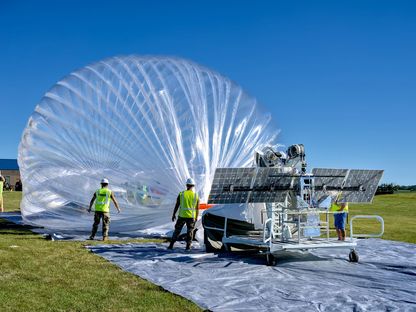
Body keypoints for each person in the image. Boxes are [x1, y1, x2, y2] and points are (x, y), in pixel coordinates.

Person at [168, 178, 199, 250]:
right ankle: (188, 247)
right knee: (190, 232)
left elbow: (177, 205)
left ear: (186, 185)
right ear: (193, 186)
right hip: (191, 217)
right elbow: (197, 208)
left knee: (177, 231)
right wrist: (196, 217)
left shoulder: (181, 194)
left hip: (182, 216)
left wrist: (173, 214)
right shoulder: (196, 195)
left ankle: (171, 245)